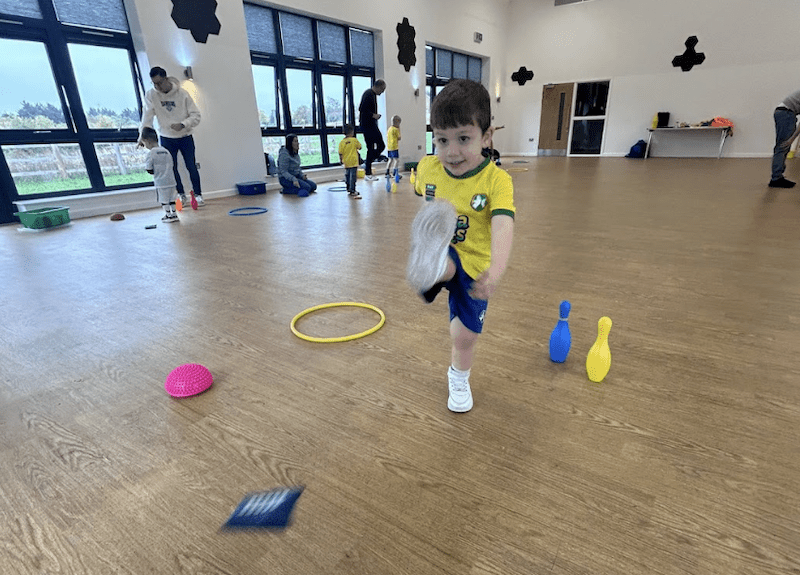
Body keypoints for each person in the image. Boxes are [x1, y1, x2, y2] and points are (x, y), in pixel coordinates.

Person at [408, 79, 515, 413]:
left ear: (487, 137)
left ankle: (459, 375)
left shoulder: (497, 181)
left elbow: (503, 225)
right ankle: (434, 262)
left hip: (476, 266)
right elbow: (420, 190)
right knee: (446, 259)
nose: (451, 152)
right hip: (447, 252)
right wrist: (427, 214)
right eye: (441, 140)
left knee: (463, 337)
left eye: (463, 139)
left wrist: (496, 270)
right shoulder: (429, 167)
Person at [138, 66, 204, 206]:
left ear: (166, 79)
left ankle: (198, 195)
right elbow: (147, 117)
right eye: (154, 83)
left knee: (191, 166)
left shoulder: (182, 94)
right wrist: (141, 137)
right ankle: (181, 195)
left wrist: (183, 124)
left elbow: (196, 115)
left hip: (185, 136)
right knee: (171, 168)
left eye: (160, 82)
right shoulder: (151, 95)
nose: (158, 86)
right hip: (166, 137)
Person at [141, 127, 179, 223]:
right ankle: (174, 214)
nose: (145, 146)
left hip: (161, 182)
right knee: (172, 198)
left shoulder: (151, 153)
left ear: (148, 141)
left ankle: (168, 214)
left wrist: (155, 172)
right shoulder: (166, 151)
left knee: (163, 199)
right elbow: (172, 165)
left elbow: (149, 168)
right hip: (171, 180)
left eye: (144, 144)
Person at [770, 90, 800, 188]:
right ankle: (776, 178)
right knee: (783, 146)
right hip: (786, 114)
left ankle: (778, 176)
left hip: (784, 113)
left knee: (783, 146)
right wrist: (792, 139)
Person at [358, 79, 386, 180]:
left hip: (371, 124)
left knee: (380, 145)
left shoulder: (372, 95)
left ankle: (367, 163)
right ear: (378, 86)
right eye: (382, 89)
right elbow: (361, 109)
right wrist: (373, 115)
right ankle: (368, 172)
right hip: (367, 125)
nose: (382, 92)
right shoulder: (368, 94)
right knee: (372, 147)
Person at [338, 124, 362, 199]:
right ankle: (352, 190)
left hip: (346, 161)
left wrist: (341, 160)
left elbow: (340, 153)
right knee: (353, 176)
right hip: (354, 161)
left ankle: (348, 187)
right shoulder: (354, 140)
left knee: (347, 174)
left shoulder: (342, 142)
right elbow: (360, 147)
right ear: (352, 132)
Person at [386, 115, 402, 181]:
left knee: (390, 160)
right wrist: (399, 129)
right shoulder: (396, 129)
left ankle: (387, 172)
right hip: (394, 147)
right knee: (396, 160)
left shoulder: (389, 129)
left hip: (389, 147)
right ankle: (395, 173)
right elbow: (399, 138)